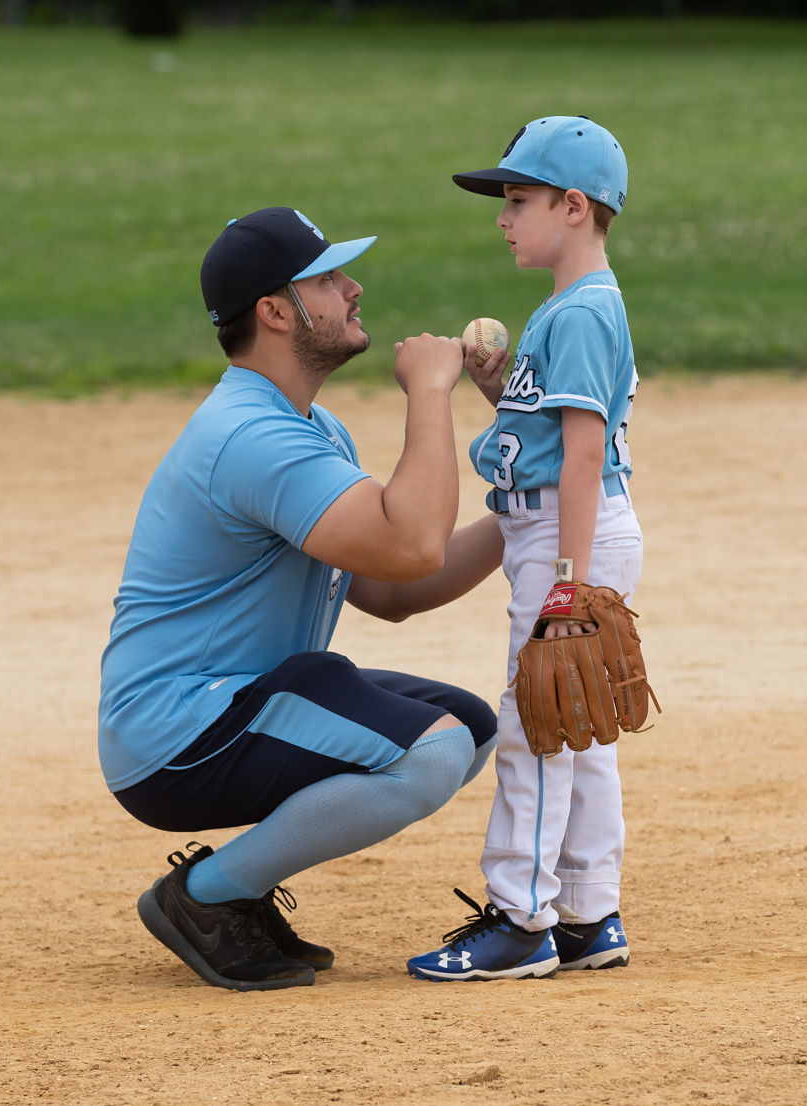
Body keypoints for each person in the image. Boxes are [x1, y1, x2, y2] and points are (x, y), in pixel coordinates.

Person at [98, 206, 504, 992]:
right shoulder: (253, 437)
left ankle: (232, 894)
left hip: (234, 704)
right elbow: (414, 543)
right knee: (431, 750)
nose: (353, 288)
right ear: (276, 312)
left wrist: (522, 523)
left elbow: (391, 588)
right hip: (178, 732)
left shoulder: (308, 427)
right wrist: (430, 393)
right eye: (326, 278)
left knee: (472, 729)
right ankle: (209, 897)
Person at [407, 115, 644, 981]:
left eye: (517, 201)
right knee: (580, 728)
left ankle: (520, 919)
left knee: (537, 726)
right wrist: (500, 391)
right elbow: (552, 436)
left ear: (573, 206)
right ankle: (588, 912)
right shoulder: (570, 307)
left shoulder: (581, 313)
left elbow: (583, 456)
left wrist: (567, 586)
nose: (502, 218)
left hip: (565, 537)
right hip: (560, 528)